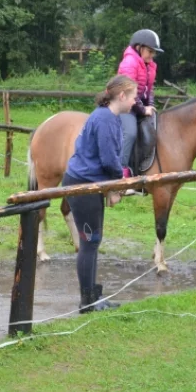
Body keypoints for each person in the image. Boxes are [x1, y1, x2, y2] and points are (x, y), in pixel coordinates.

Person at [63, 75, 137, 313]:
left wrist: (111, 188)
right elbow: (109, 159)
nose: (135, 102)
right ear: (122, 96)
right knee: (89, 242)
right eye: (133, 97)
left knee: (94, 241)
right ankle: (87, 302)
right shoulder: (105, 119)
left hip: (91, 184)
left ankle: (94, 296)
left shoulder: (108, 117)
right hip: (83, 185)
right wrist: (118, 184)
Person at [116, 29, 162, 183]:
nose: (152, 55)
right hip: (124, 104)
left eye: (154, 52)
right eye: (150, 51)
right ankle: (121, 171)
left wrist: (150, 105)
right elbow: (128, 90)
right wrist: (142, 109)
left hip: (137, 105)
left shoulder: (150, 65)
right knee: (130, 133)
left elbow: (149, 89)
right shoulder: (129, 62)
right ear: (139, 47)